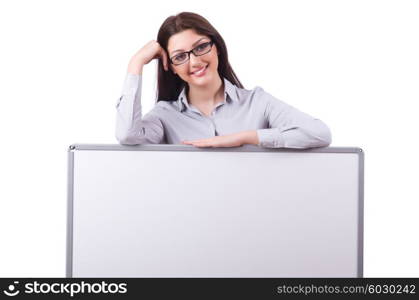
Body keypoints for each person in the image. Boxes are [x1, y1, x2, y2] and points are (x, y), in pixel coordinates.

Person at [115, 12, 331, 148]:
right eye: (180, 56)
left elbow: (319, 133)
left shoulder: (257, 102)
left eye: (200, 47)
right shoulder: (165, 115)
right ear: (170, 67)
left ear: (216, 47)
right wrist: (136, 63)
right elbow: (127, 135)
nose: (195, 62)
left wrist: (245, 138)